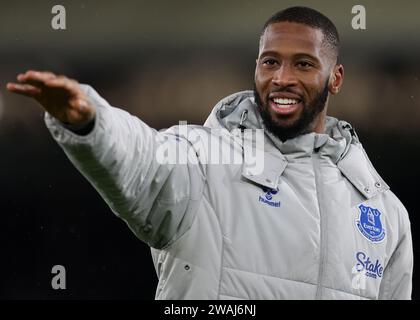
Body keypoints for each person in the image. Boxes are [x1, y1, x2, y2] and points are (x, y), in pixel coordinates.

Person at [7, 6, 413, 300]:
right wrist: (90, 120)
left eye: (304, 65)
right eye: (270, 62)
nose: (282, 78)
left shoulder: (384, 211)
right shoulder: (204, 158)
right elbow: (141, 157)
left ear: (335, 78)